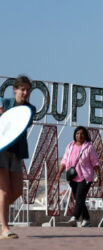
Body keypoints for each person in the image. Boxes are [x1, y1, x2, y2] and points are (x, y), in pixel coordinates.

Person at [0, 75, 36, 239]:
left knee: (17, 191)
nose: (25, 92)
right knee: (5, 192)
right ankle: (5, 229)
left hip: (17, 152)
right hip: (1, 150)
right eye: (22, 89)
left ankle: (3, 220)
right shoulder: (4, 103)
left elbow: (23, 124)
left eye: (28, 90)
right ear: (15, 89)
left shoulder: (30, 109)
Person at [55, 126, 101, 227]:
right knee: (79, 198)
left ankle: (74, 217)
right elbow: (64, 160)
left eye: (82, 134)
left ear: (85, 136)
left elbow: (95, 163)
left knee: (79, 197)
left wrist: (99, 176)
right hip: (73, 177)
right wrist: (59, 172)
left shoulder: (89, 147)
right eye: (77, 134)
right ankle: (86, 219)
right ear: (74, 135)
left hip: (85, 176)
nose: (79, 136)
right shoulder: (70, 146)